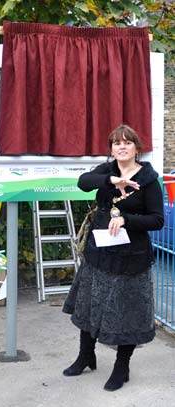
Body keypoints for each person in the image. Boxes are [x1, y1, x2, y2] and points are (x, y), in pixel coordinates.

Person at [62, 124, 164, 391]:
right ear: (111, 149)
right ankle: (86, 356)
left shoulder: (149, 180)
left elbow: (157, 220)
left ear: (136, 148)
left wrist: (126, 219)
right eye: (116, 143)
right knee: (89, 304)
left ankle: (122, 366)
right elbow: (83, 183)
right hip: (100, 253)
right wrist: (111, 181)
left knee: (126, 314)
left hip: (131, 259)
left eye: (127, 142)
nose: (122, 147)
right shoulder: (106, 171)